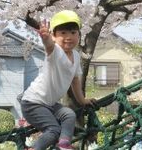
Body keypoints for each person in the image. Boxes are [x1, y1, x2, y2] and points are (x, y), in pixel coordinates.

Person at [20, 10, 96, 150]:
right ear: (54, 36)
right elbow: (49, 46)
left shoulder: (76, 56)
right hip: (33, 103)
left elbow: (75, 81)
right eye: (63, 33)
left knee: (69, 114)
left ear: (79, 35)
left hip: (50, 104)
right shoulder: (56, 52)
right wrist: (45, 37)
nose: (69, 37)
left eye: (73, 33)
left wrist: (82, 101)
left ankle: (64, 144)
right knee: (53, 130)